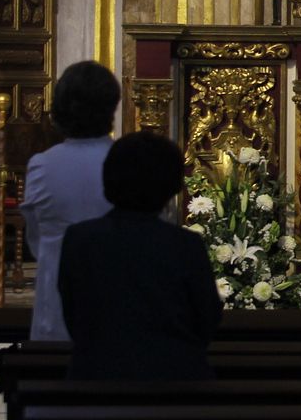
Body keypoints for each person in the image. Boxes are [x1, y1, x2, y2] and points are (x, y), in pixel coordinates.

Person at [57, 132, 223, 380]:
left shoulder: (80, 239)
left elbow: (73, 315)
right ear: (173, 186)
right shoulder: (185, 245)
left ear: (108, 179)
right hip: (176, 382)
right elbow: (206, 319)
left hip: (96, 380)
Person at [21, 61, 123, 341]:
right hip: (117, 297)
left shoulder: (42, 165)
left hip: (57, 300)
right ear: (111, 107)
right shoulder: (124, 162)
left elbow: (36, 239)